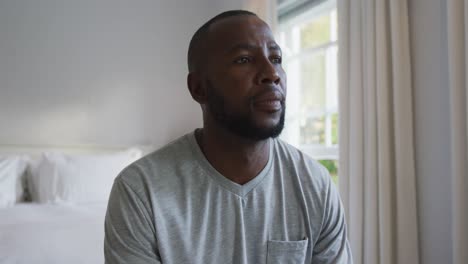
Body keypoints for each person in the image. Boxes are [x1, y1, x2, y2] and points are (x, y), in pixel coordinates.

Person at [104, 10, 352, 264]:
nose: (272, 73)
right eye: (244, 60)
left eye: (276, 58)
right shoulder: (140, 192)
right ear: (199, 88)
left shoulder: (315, 185)